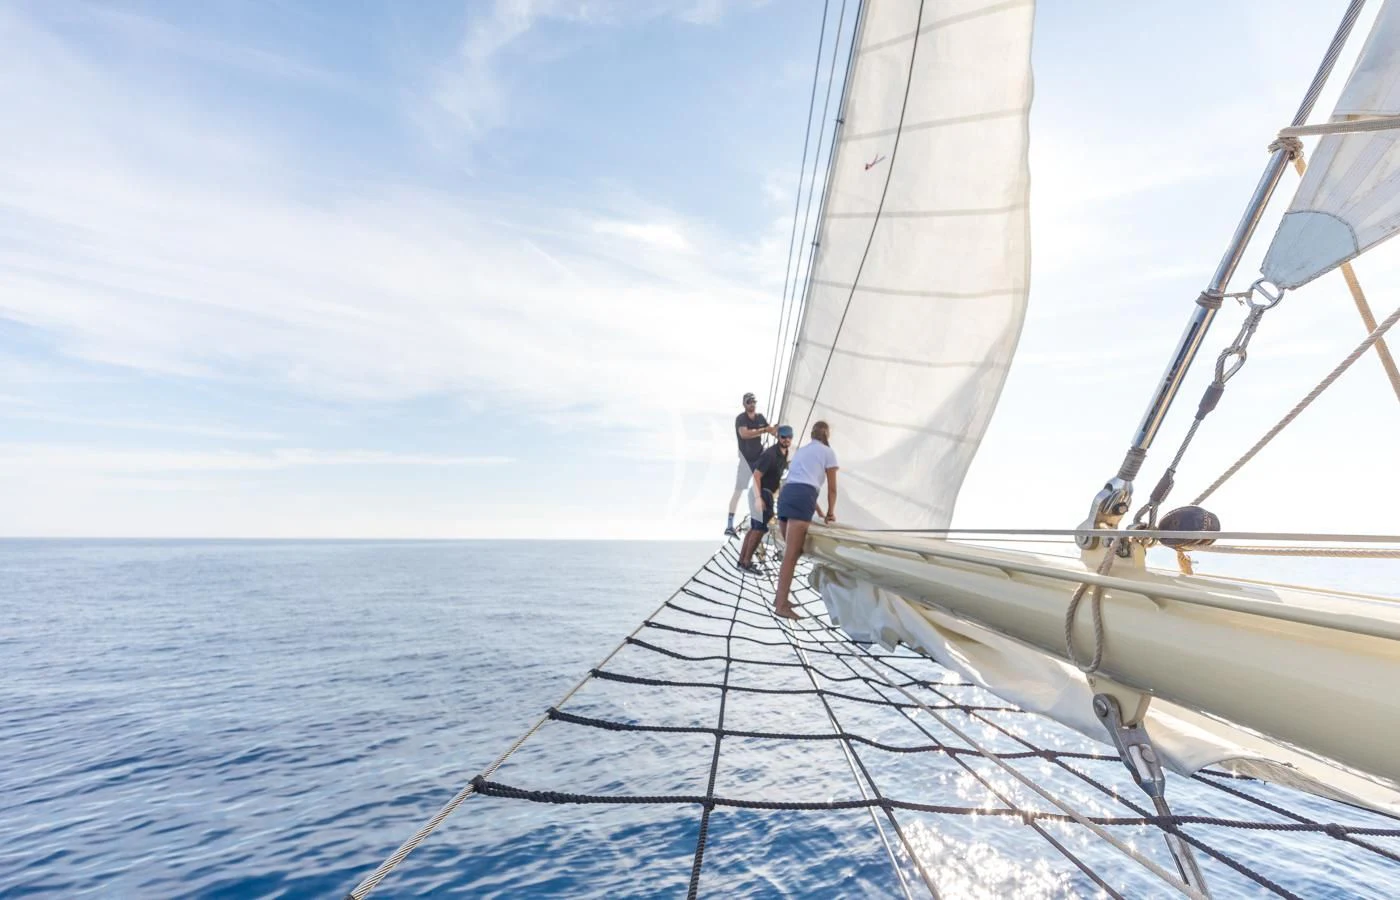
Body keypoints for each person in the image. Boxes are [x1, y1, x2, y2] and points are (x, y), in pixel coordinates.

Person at [773, 420, 838, 619]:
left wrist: (818, 511)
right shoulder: (828, 452)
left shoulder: (801, 451)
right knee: (792, 555)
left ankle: (779, 598)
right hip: (802, 497)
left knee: (792, 553)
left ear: (812, 435)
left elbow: (800, 479)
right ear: (827, 435)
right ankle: (782, 605)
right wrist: (830, 513)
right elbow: (832, 488)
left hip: (786, 496)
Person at [737, 425, 792, 571]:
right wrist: (758, 498)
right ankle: (746, 563)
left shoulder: (784, 454)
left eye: (789, 436)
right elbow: (756, 475)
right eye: (783, 436)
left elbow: (782, 468)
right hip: (761, 492)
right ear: (778, 437)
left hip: (766, 493)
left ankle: (742, 561)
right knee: (759, 529)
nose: (787, 439)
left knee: (755, 527)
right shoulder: (771, 454)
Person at [726, 392, 776, 536]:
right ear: (744, 404)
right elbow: (744, 434)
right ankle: (729, 525)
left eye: (753, 401)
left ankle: (765, 518)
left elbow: (770, 430)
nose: (752, 404)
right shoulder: (741, 419)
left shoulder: (760, 418)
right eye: (749, 402)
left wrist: (775, 430)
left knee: (765, 487)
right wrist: (764, 430)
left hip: (759, 459)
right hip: (745, 462)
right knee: (738, 491)